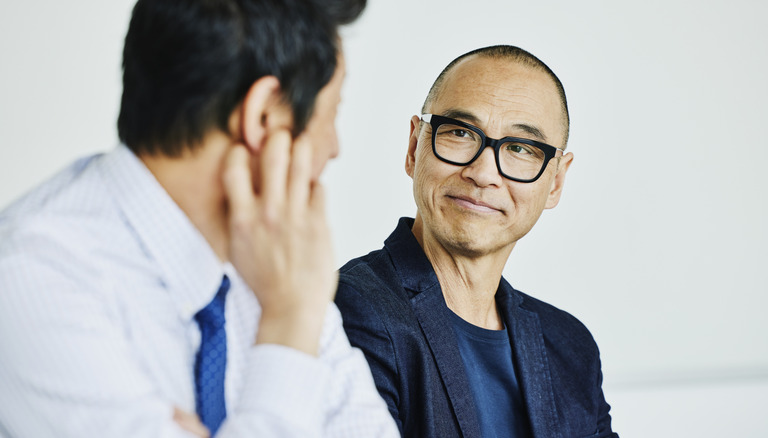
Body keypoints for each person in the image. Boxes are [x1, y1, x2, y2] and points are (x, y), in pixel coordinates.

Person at [0, 0, 399, 437]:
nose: (335, 147)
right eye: (332, 113)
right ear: (263, 115)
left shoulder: (277, 258)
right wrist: (287, 326)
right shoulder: (31, 276)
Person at [335, 45, 619, 438]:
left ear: (555, 181)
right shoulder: (348, 311)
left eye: (521, 148)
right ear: (414, 146)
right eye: (460, 133)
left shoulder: (569, 346)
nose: (484, 173)